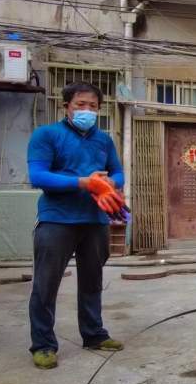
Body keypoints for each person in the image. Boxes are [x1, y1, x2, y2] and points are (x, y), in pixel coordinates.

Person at [27, 81, 127, 369]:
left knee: (92, 281)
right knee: (46, 284)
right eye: (80, 104)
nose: (87, 110)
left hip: (95, 220)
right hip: (56, 219)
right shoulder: (47, 135)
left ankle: (94, 334)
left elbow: (118, 173)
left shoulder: (103, 140)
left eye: (93, 106)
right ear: (66, 107)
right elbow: (38, 176)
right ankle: (43, 345)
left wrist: (110, 184)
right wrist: (83, 182)